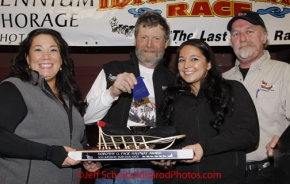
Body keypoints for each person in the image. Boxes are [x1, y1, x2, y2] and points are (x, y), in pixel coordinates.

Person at [84, 12, 173, 184]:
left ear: (166, 43)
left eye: (156, 38)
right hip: (111, 171)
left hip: (154, 174)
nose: (149, 44)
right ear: (134, 40)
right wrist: (112, 92)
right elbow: (86, 117)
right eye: (143, 37)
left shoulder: (173, 81)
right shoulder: (112, 70)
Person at [159, 38, 259, 183]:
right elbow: (166, 140)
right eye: (181, 60)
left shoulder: (232, 90)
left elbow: (249, 134)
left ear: (209, 64)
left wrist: (204, 148)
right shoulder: (172, 99)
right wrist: (165, 158)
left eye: (194, 59)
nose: (186, 65)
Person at [0, 28, 88, 184]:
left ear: (62, 59)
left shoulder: (70, 98)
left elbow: (78, 142)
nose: (46, 56)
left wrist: (88, 158)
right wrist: (50, 152)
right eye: (38, 49)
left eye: (53, 50)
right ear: (27, 58)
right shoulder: (14, 88)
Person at [223, 10, 290, 183]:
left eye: (249, 31)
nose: (243, 38)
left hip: (270, 173)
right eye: (236, 34)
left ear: (264, 37)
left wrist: (285, 141)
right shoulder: (222, 80)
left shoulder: (285, 72)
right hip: (229, 173)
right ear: (231, 41)